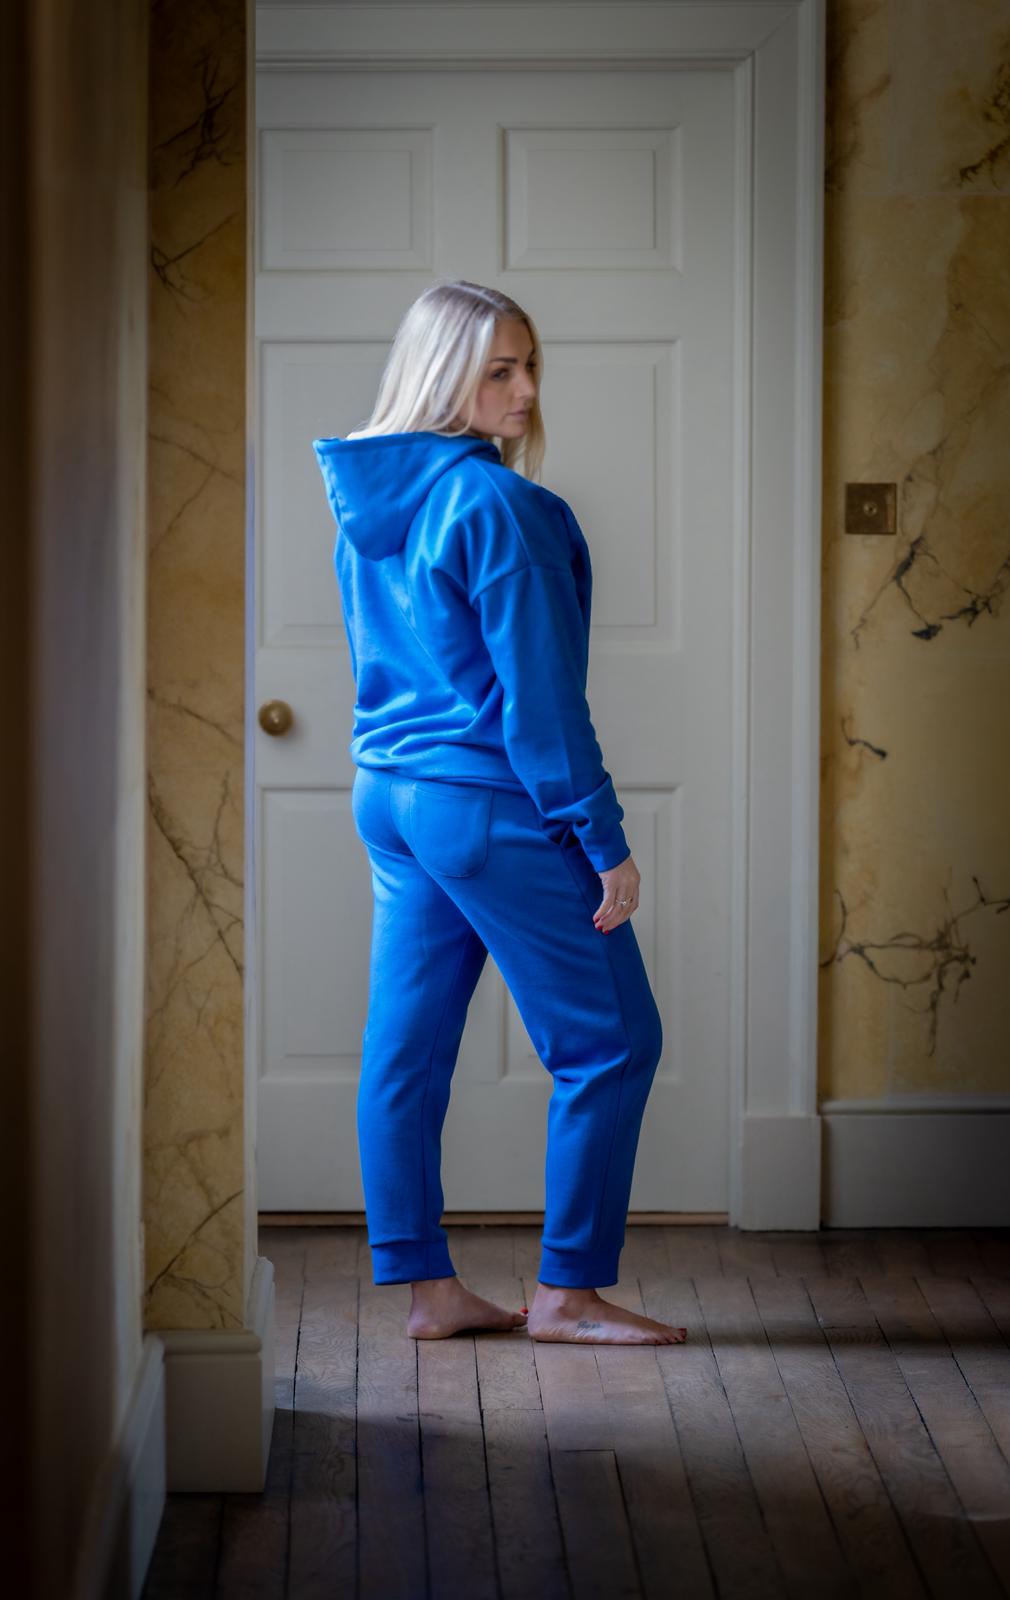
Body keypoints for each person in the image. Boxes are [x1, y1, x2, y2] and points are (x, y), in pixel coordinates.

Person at [313, 280, 686, 1347]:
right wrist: (601, 840)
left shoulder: (369, 507)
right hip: (484, 801)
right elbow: (539, 704)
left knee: (406, 1053)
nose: (524, 392)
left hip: (389, 794)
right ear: (444, 377)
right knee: (612, 1042)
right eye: (498, 370)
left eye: (529, 368)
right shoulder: (498, 504)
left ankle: (431, 1295)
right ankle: (566, 1294)